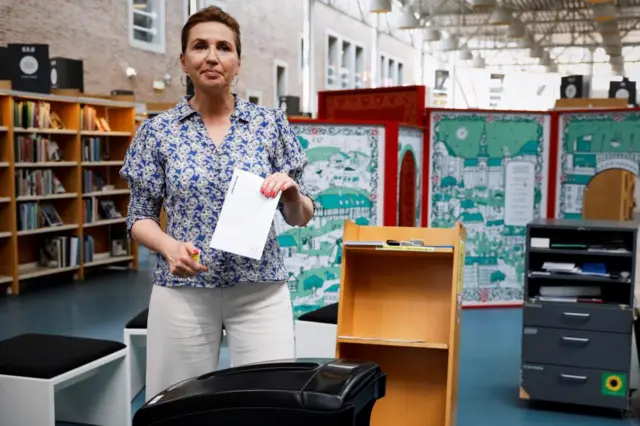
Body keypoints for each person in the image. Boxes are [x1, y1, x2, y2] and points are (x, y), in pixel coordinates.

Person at [120, 6, 315, 399]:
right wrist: (168, 246)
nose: (212, 56)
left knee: (268, 401)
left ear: (237, 62)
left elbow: (300, 217)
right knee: (177, 403)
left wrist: (292, 191)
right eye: (200, 46)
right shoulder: (158, 132)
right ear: (184, 60)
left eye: (224, 47)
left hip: (259, 290)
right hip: (182, 291)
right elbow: (139, 216)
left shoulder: (269, 125)